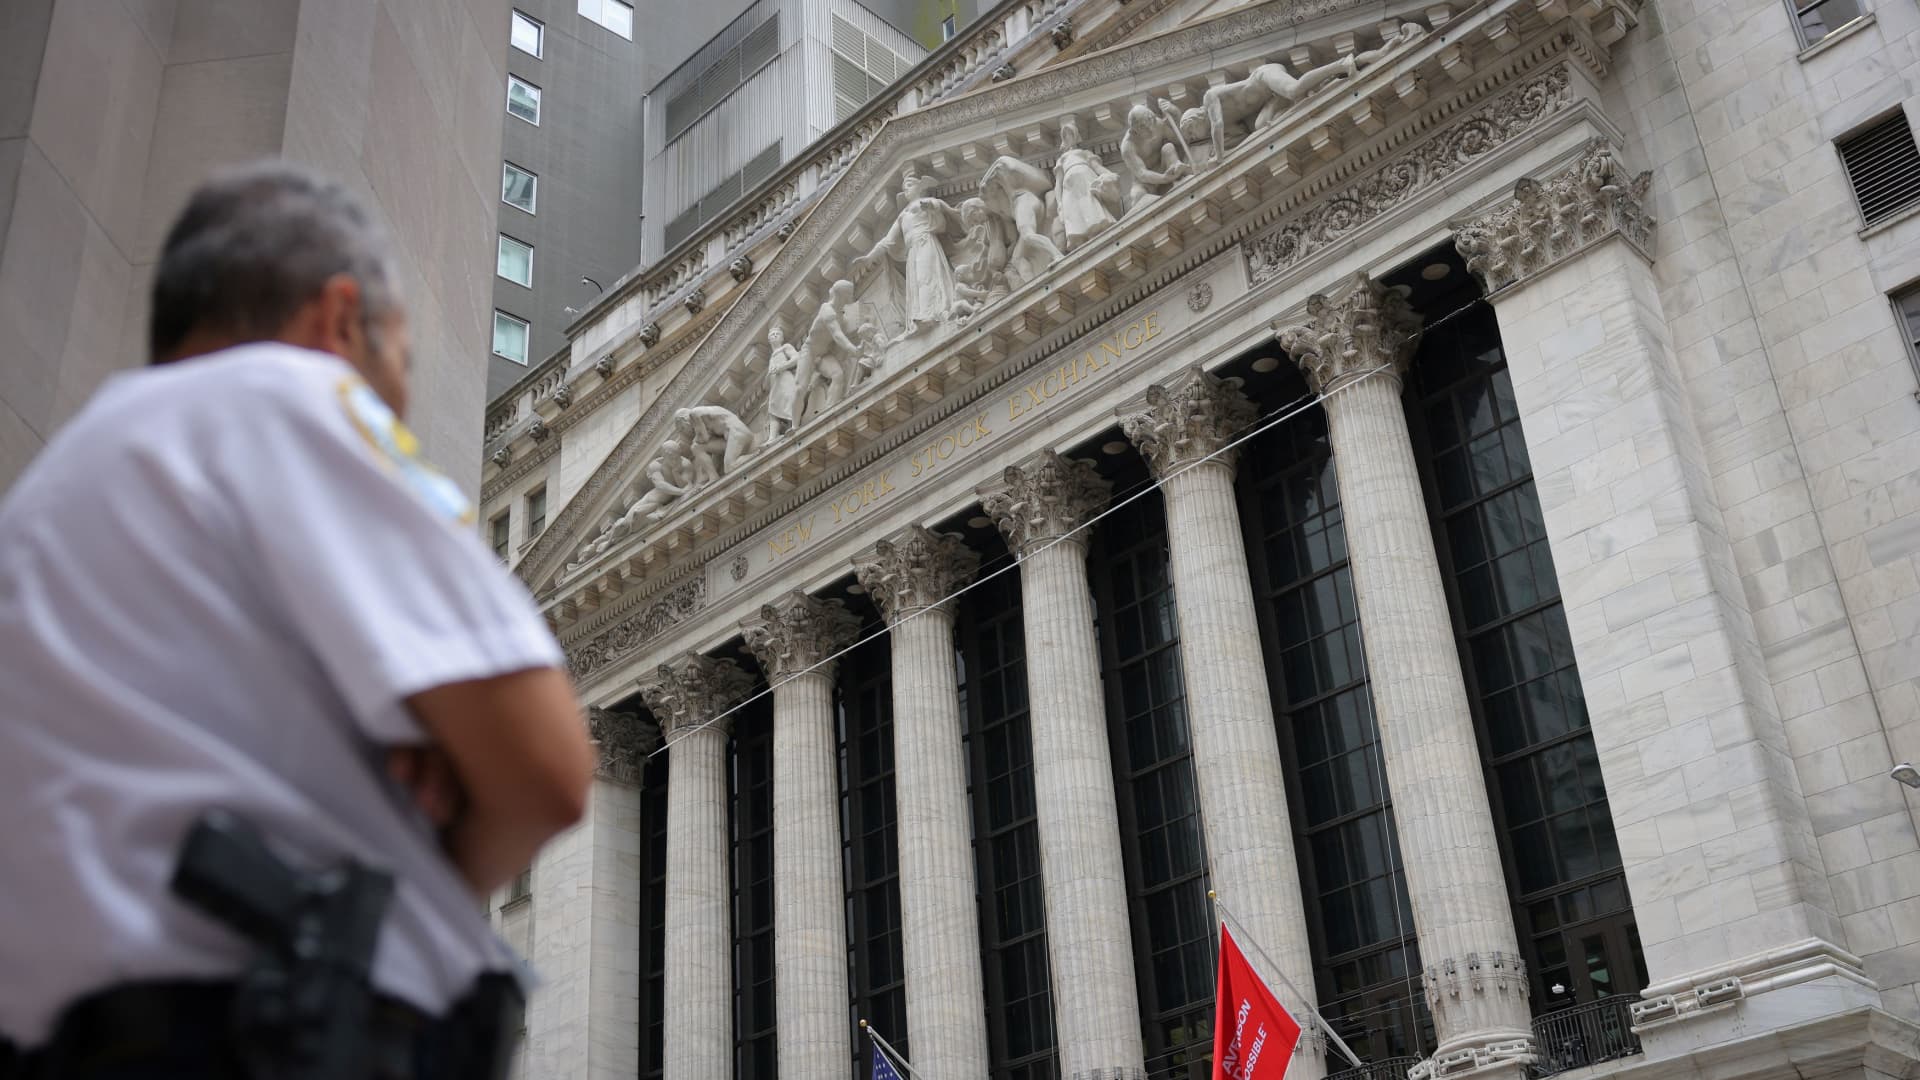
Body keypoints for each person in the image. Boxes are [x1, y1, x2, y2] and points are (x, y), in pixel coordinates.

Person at [0, 162, 596, 1077]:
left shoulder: (42, 508)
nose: (388, 413)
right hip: (272, 1028)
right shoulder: (288, 393)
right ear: (337, 318)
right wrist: (437, 840)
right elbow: (550, 768)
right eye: (392, 376)